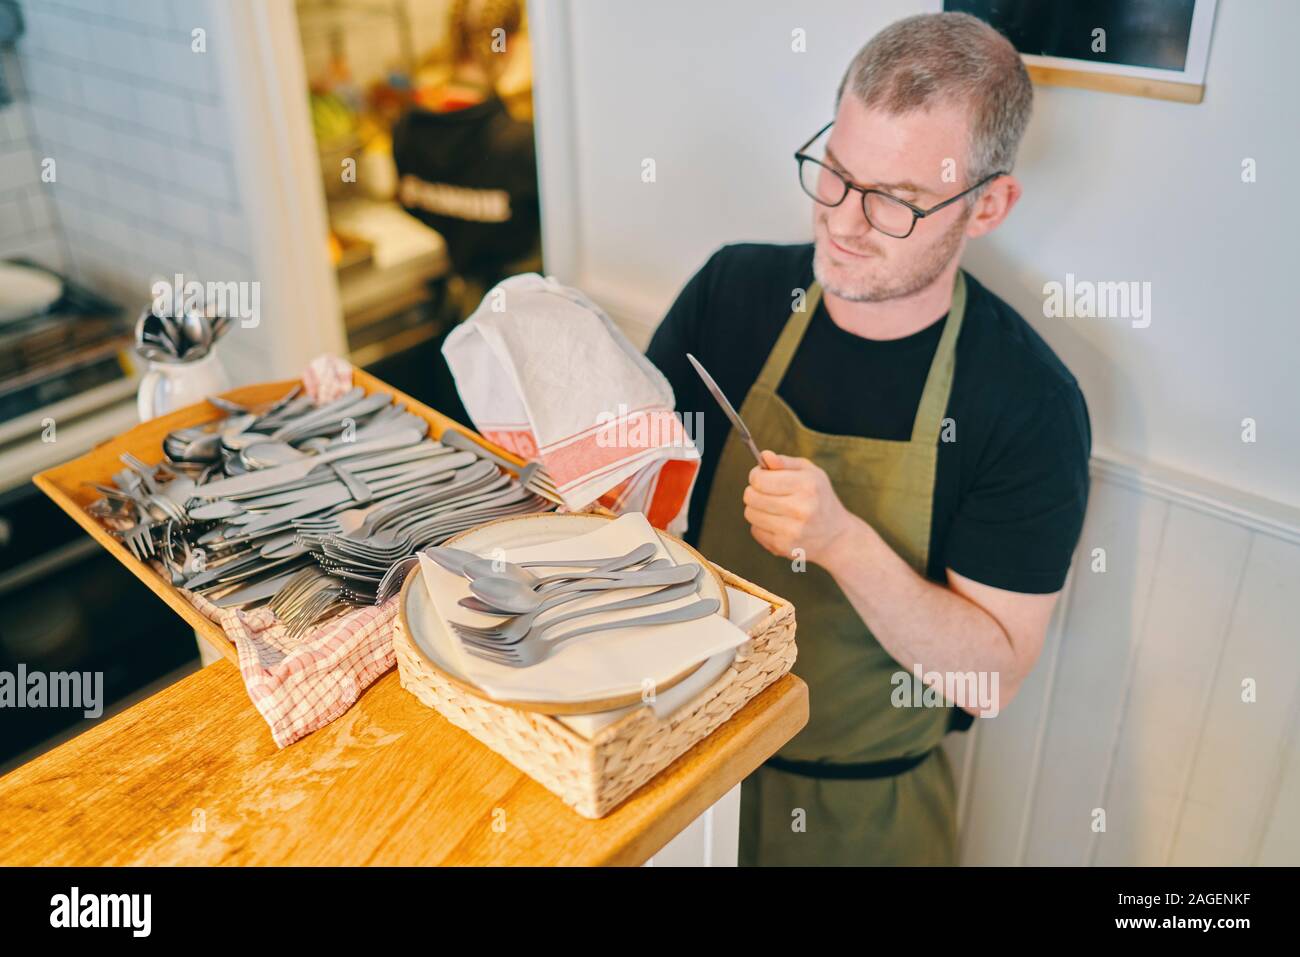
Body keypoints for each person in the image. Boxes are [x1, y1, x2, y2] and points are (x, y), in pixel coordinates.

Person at [646, 12, 1091, 866]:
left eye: (895, 201)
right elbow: (630, 496)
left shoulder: (1027, 401)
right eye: (836, 174)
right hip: (679, 760)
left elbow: (987, 679)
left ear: (989, 204)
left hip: (863, 814)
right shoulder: (733, 291)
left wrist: (843, 542)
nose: (844, 222)